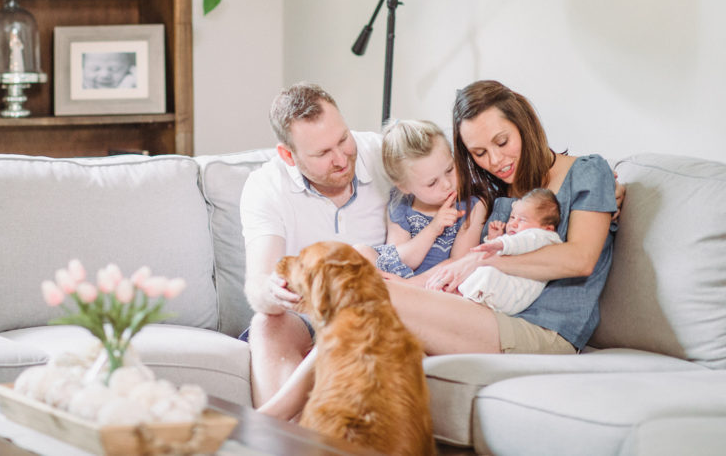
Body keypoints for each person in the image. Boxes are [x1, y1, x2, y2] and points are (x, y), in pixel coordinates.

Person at [256, 79, 620, 421]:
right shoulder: (495, 184)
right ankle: (298, 427)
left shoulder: (588, 172)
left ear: (525, 123)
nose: (495, 160)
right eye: (479, 152)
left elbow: (580, 259)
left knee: (369, 293)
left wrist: (480, 258)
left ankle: (270, 417)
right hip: (481, 310)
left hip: (543, 329)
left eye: (502, 141)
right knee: (362, 295)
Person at [240, 82, 392, 411]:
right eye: (323, 153)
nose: (341, 159)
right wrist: (273, 291)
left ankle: (271, 423)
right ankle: (286, 442)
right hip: (306, 312)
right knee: (267, 323)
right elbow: (258, 283)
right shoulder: (266, 186)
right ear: (287, 155)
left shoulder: (384, 156)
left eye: (343, 140)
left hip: (382, 302)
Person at [353, 119, 486, 279]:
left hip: (438, 285)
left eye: (450, 169)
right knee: (360, 252)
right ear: (404, 187)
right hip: (398, 280)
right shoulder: (400, 204)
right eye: (432, 183)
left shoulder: (473, 206)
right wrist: (433, 228)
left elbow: (458, 263)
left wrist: (410, 287)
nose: (446, 184)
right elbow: (398, 260)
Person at [457, 188, 563, 314]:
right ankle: (465, 293)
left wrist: (500, 243)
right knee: (484, 266)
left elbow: (522, 242)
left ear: (548, 227)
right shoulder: (517, 239)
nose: (513, 223)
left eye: (522, 220)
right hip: (499, 290)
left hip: (513, 294)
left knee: (488, 270)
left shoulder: (545, 237)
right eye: (512, 217)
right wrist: (494, 239)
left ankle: (463, 294)